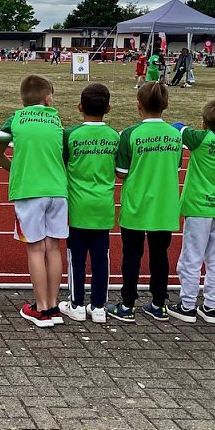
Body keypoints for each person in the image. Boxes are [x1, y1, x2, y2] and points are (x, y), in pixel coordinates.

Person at [0, 75, 68, 328]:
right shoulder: (56, 118)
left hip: (29, 191)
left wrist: (16, 170)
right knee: (53, 248)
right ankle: (54, 306)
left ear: (23, 100)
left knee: (35, 249)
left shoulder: (15, 118)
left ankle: (41, 308)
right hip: (57, 190)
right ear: (48, 98)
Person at [107, 83, 182, 322]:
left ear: (138, 105)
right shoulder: (175, 135)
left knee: (132, 256)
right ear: (166, 105)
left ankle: (127, 305)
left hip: (136, 205)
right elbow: (176, 165)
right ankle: (159, 304)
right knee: (160, 256)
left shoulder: (131, 134)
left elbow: (121, 172)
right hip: (164, 206)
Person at [169, 100, 215, 324]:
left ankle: (187, 305)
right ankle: (210, 306)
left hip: (199, 206)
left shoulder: (200, 138)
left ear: (204, 123)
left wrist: (203, 128)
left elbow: (177, 126)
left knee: (191, 258)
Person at [60, 84, 119, 324]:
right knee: (101, 258)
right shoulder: (115, 136)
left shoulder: (70, 135)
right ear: (108, 108)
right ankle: (98, 307)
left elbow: (62, 163)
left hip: (78, 207)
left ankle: (76, 304)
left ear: (79, 107)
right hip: (103, 206)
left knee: (76, 258)